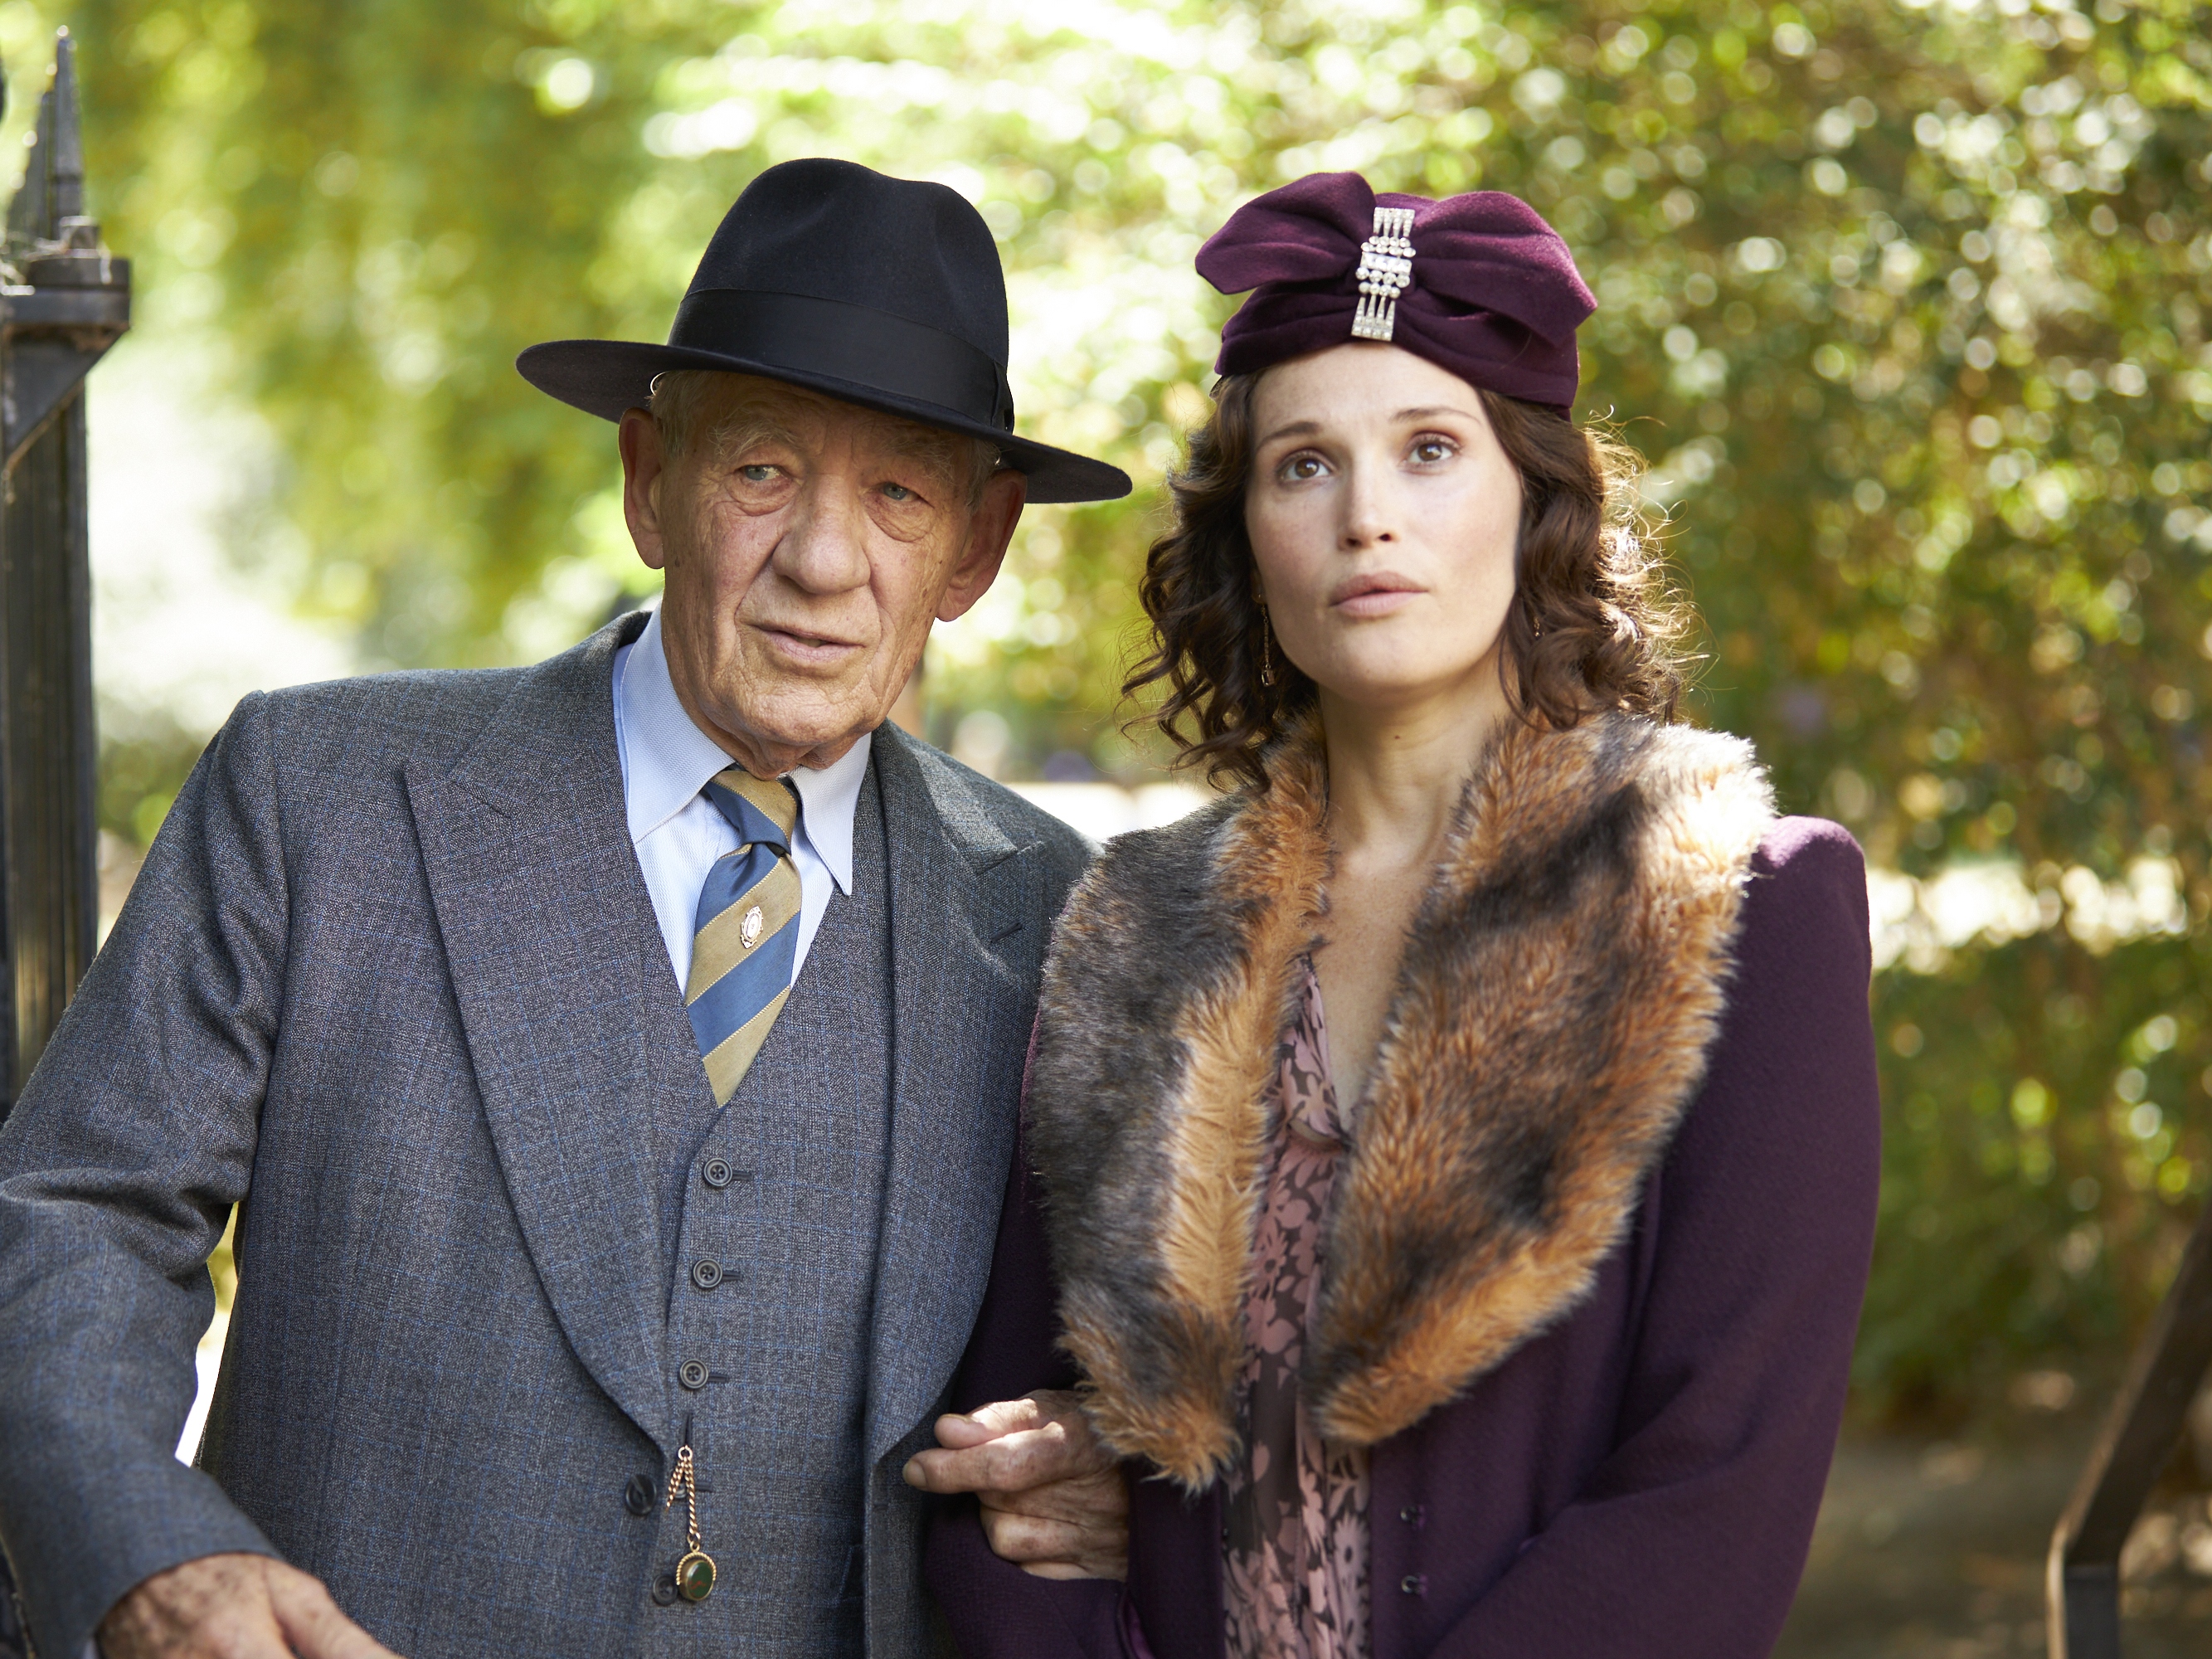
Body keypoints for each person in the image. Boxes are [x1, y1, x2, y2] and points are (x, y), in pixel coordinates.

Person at [0, 158, 1133, 1659]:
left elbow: (1130, 1365)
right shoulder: (318, 791)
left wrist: (1113, 1462)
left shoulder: (1057, 912)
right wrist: (153, 1557)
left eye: (900, 494)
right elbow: (73, 1216)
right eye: (762, 471)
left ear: (975, 553)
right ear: (647, 479)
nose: (822, 561)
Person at [916, 172, 1884, 1657]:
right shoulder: (1137, 930)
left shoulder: (1739, 902)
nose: (1369, 515)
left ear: (1536, 495)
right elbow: (998, 1475)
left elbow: (1720, 1488)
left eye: (1431, 450)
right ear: (1247, 530)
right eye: (1304, 465)